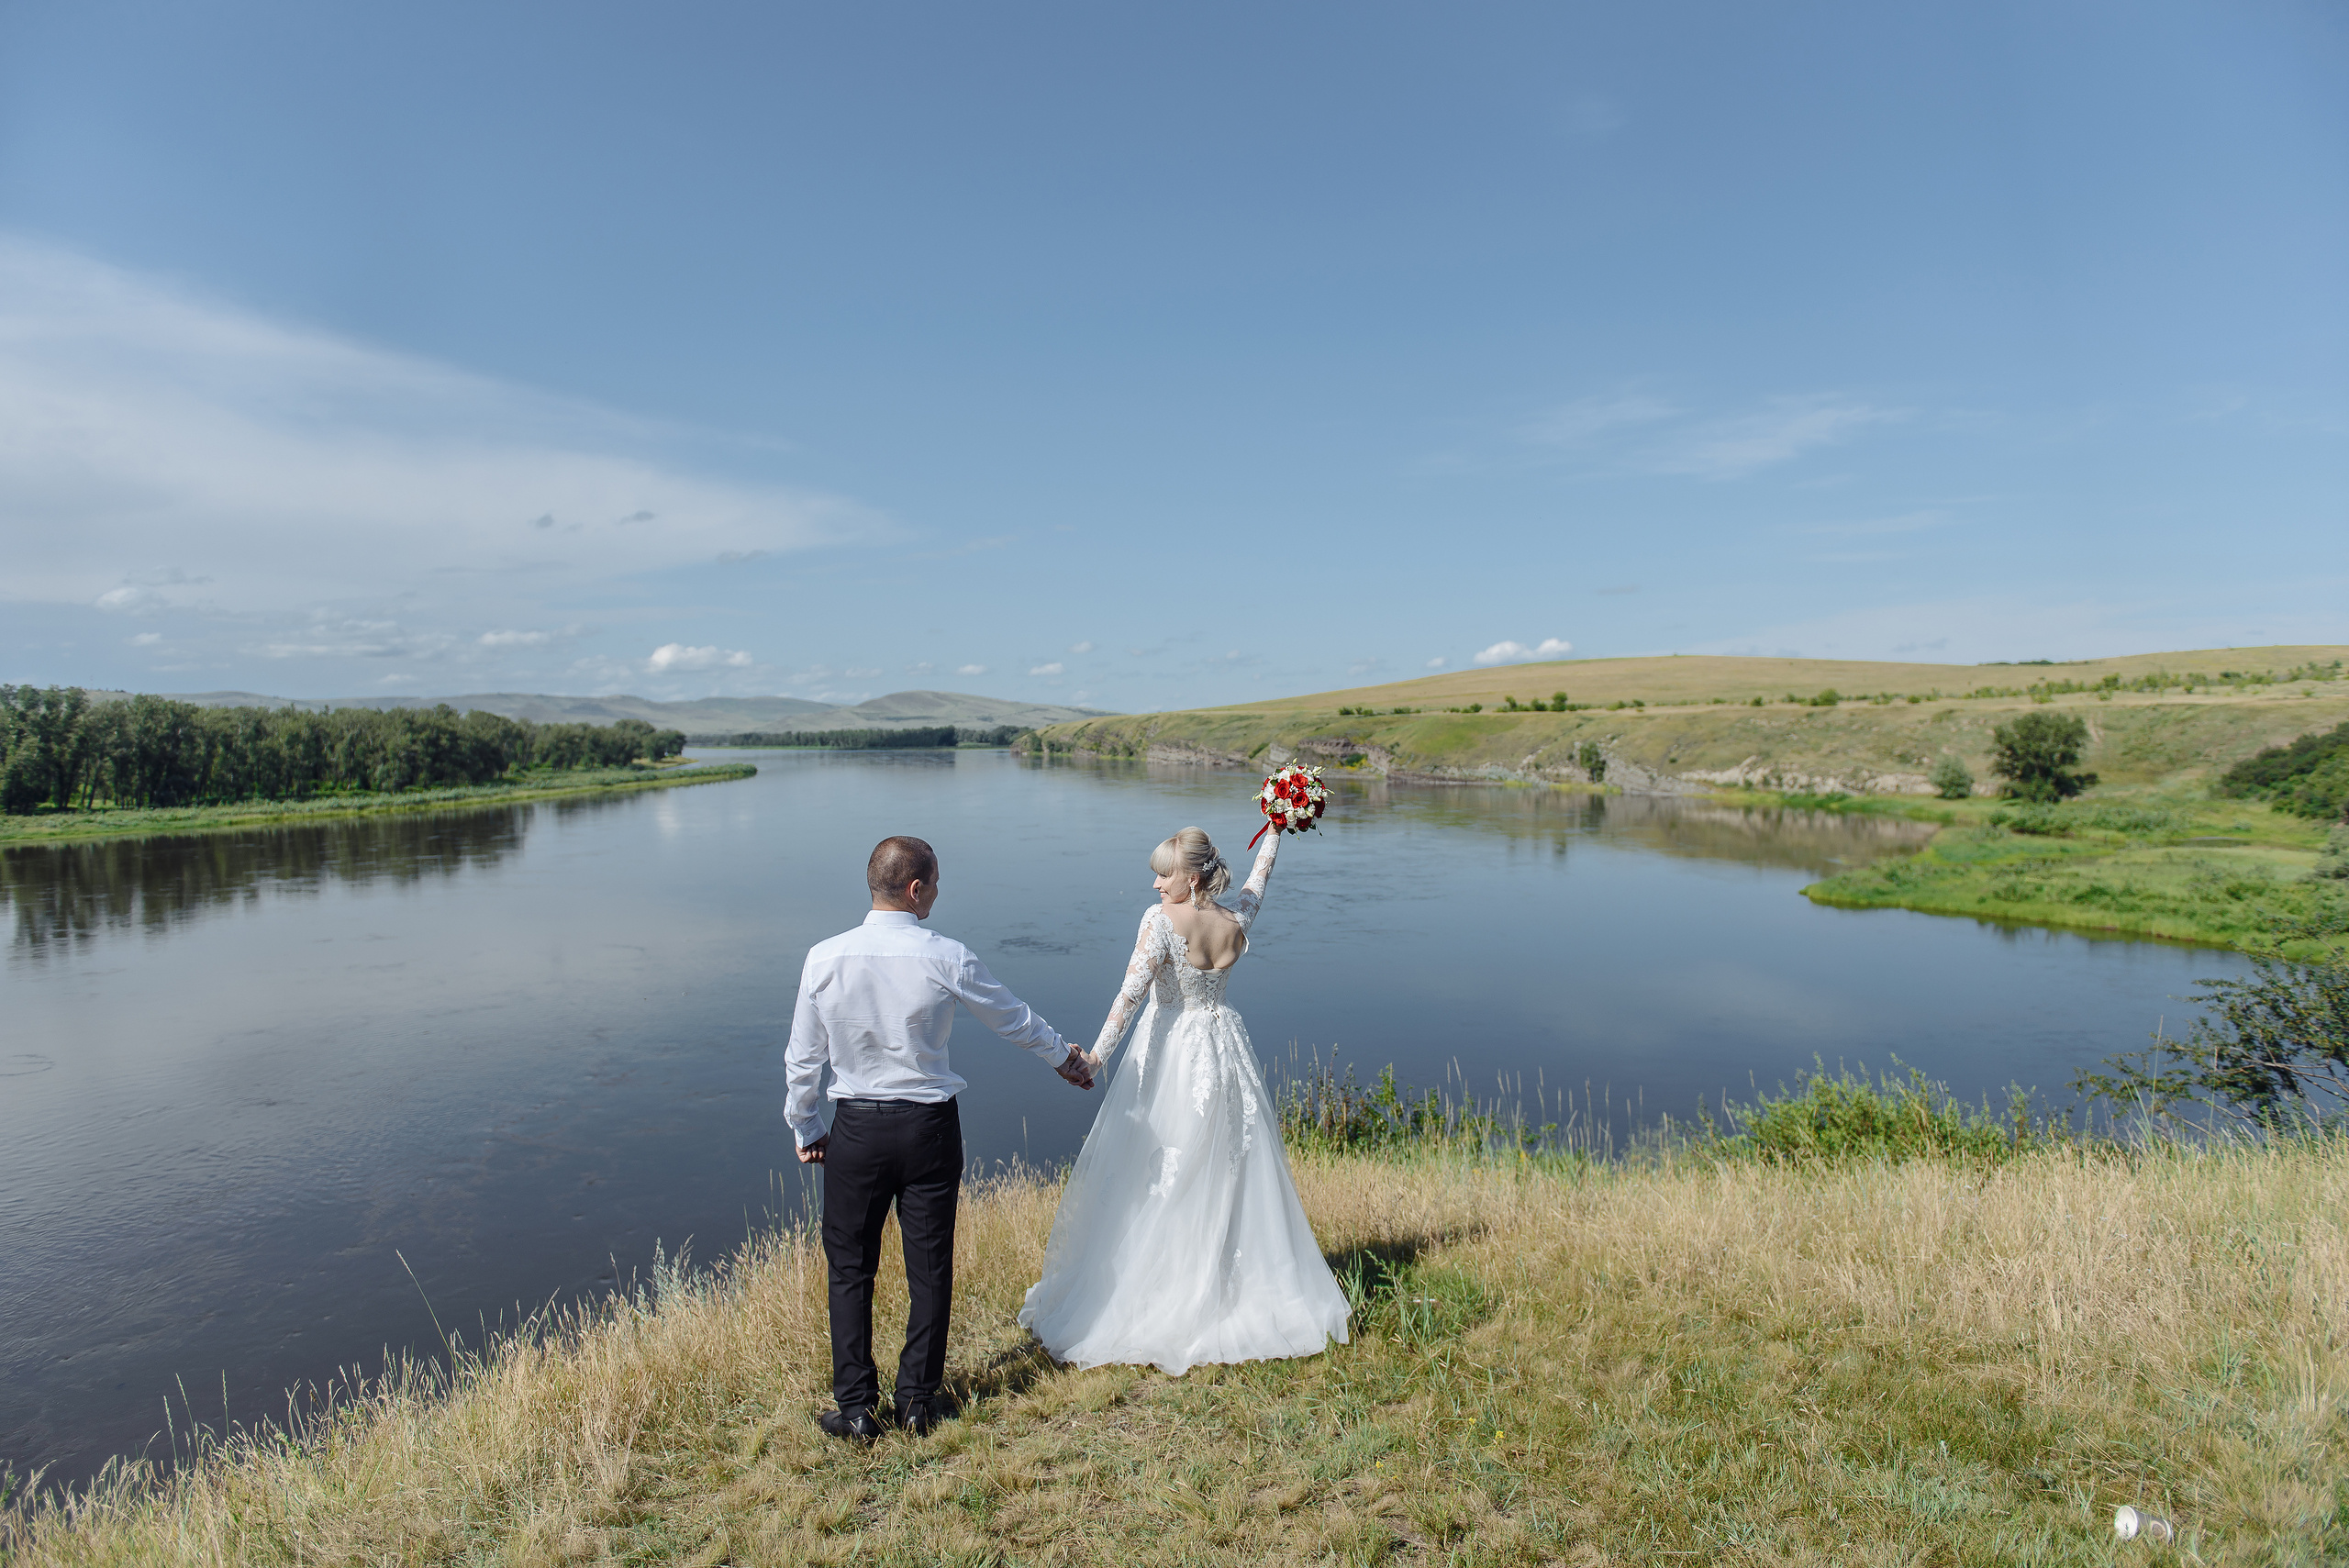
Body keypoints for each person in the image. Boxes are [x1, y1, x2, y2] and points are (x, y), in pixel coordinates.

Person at [786, 834, 1095, 1442]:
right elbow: (1011, 1015)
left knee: (850, 1267)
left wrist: (806, 1125)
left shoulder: (824, 957)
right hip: (928, 1127)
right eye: (935, 882)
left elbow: (803, 1058)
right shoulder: (945, 955)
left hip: (856, 1128)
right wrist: (1063, 1057)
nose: (937, 892)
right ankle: (916, 1403)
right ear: (915, 888)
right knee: (930, 1267)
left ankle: (854, 1408)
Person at [1018, 825, 1350, 1372]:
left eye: (1163, 874)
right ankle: (1224, 1278)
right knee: (1223, 1164)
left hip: (1170, 1049)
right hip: (1222, 1048)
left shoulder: (1160, 921)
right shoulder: (1234, 920)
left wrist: (1095, 1059)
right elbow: (1259, 884)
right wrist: (1277, 829)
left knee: (1156, 1165)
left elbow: (1130, 995)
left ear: (1190, 877)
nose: (1154, 886)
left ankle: (1161, 1288)